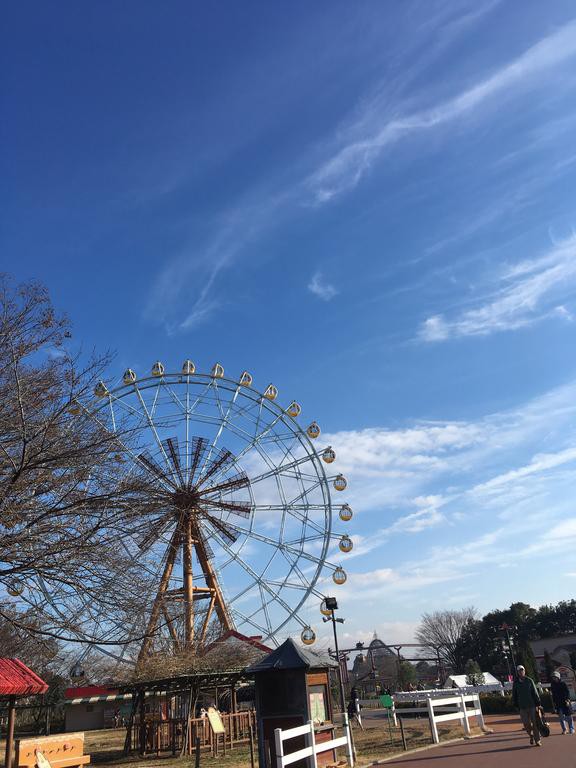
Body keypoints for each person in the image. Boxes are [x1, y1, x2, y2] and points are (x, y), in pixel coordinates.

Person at [512, 664, 542, 746]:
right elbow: (514, 694)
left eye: (522, 670)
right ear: (517, 672)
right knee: (526, 724)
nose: (521, 672)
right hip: (522, 707)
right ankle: (531, 735)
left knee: (535, 723)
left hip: (532, 705)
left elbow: (535, 693)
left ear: (524, 671)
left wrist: (538, 703)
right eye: (519, 671)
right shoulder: (516, 683)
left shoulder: (529, 681)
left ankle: (537, 740)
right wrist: (515, 704)